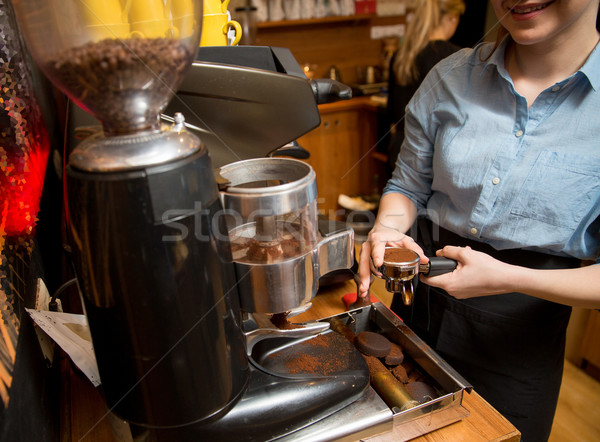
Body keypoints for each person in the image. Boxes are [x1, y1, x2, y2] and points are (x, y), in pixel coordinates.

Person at [358, 1, 600, 440]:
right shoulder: (450, 76)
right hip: (419, 306)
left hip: (520, 341)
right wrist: (387, 230)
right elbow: (409, 186)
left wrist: (511, 278)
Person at [385, 0, 465, 171]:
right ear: (452, 18)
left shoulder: (402, 54)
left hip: (400, 149)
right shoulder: (456, 57)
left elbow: (392, 110)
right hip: (433, 154)